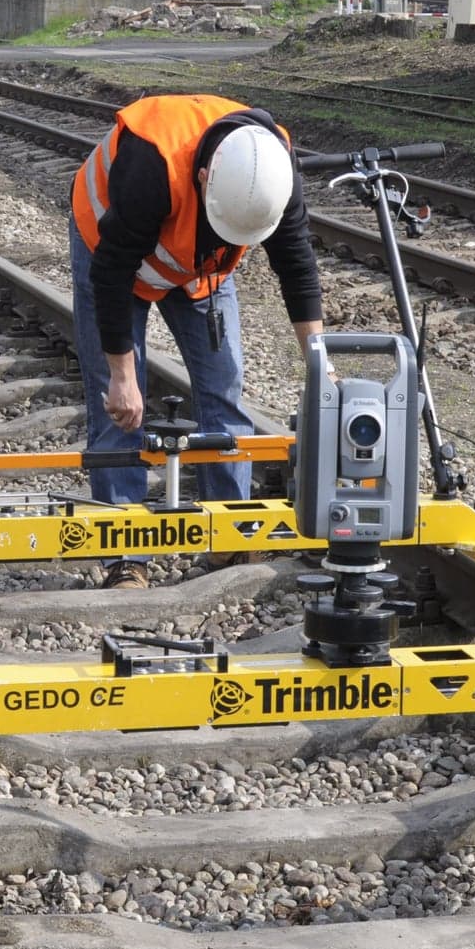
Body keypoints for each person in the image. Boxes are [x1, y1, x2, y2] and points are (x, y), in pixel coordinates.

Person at [70, 95, 323, 590]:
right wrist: (123, 376)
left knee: (225, 390)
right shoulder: (151, 163)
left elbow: (297, 266)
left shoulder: (273, 168)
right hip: (112, 249)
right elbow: (112, 274)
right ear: (205, 178)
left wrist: (321, 368)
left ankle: (229, 534)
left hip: (199, 266)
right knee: (119, 409)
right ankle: (126, 551)